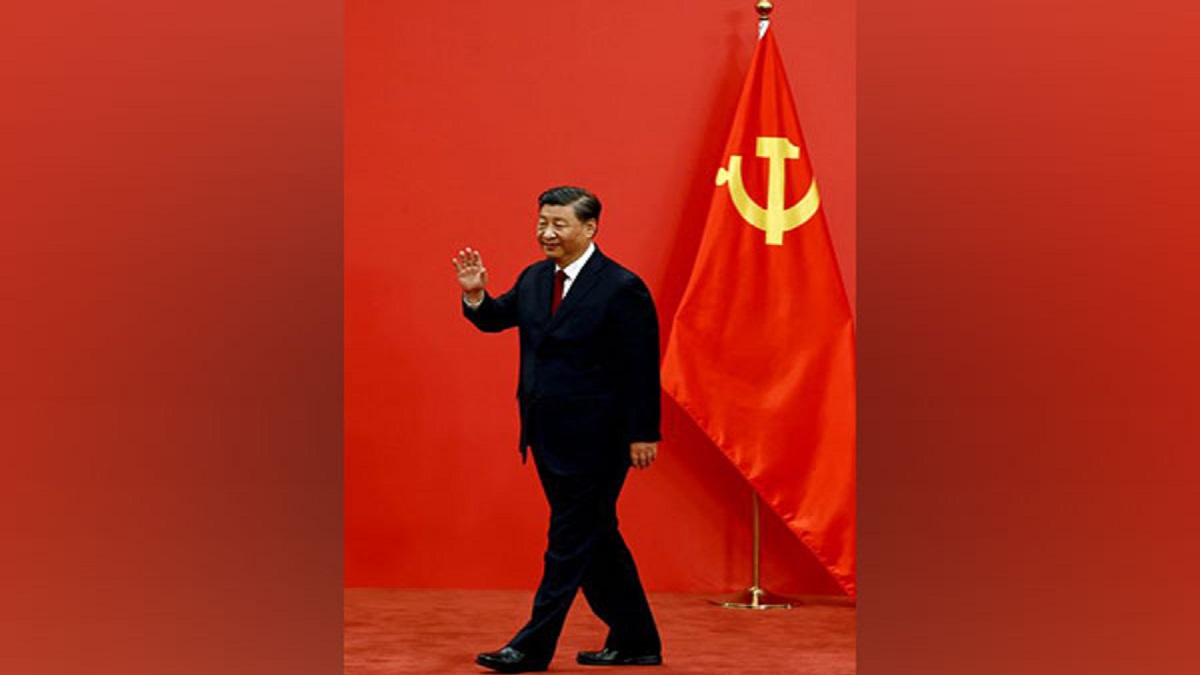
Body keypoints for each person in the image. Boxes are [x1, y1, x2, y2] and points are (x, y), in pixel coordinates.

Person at [451, 186, 664, 673]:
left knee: (568, 542)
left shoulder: (620, 286)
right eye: (542, 222)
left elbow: (641, 366)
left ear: (589, 228)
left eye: (559, 224)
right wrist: (475, 295)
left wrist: (643, 433)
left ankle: (531, 647)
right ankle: (636, 640)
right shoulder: (534, 278)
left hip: (600, 439)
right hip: (545, 433)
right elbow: (495, 319)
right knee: (596, 537)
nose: (547, 233)